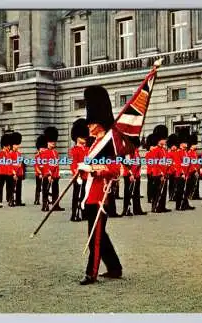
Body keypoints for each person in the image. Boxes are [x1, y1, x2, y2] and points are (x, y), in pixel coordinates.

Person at [78, 85, 122, 285]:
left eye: (91, 122)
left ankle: (91, 272)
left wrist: (94, 170)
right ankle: (114, 267)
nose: (88, 126)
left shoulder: (109, 143)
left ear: (100, 122)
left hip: (101, 195)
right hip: (90, 193)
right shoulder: (95, 143)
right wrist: (82, 170)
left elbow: (115, 169)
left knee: (95, 235)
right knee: (100, 233)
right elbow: (89, 166)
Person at [40, 127, 64, 212]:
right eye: (51, 141)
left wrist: (58, 173)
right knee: (45, 191)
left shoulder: (56, 152)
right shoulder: (44, 152)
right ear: (47, 142)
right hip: (48, 175)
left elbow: (56, 164)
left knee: (55, 191)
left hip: (55, 175)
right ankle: (45, 205)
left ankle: (55, 205)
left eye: (54, 141)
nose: (53, 143)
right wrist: (48, 174)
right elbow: (44, 164)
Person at [69, 118, 89, 222]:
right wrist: (76, 174)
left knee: (85, 195)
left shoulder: (87, 149)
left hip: (87, 175)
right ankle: (75, 214)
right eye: (82, 137)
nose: (85, 138)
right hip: (78, 176)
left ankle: (84, 213)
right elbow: (73, 164)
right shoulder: (74, 150)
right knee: (76, 196)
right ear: (77, 138)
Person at [150, 125, 170, 213]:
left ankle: (162, 206)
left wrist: (166, 172)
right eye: (164, 139)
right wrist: (161, 173)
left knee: (163, 191)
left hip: (164, 173)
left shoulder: (164, 150)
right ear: (159, 139)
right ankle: (155, 207)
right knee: (157, 191)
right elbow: (155, 163)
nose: (165, 141)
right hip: (158, 174)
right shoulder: (156, 150)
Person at [174, 128, 195, 211]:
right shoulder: (178, 152)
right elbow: (178, 164)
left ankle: (185, 204)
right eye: (185, 142)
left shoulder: (186, 152)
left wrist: (188, 173)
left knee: (185, 190)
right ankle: (179, 205)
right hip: (180, 175)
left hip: (186, 174)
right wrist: (182, 173)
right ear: (181, 143)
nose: (187, 144)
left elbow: (188, 163)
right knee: (180, 190)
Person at [0, 133, 13, 206]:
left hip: (8, 172)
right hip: (2, 172)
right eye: (8, 146)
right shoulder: (1, 153)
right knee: (1, 186)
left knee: (9, 186)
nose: (9, 147)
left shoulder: (9, 153)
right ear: (5, 146)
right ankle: (0, 198)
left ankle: (8, 198)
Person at [11, 132, 25, 206]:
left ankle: (18, 201)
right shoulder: (10, 153)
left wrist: (21, 172)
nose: (17, 146)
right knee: (13, 188)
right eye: (16, 144)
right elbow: (10, 164)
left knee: (19, 188)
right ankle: (12, 200)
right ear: (13, 145)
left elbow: (20, 164)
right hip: (14, 173)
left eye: (18, 144)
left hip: (19, 173)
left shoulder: (19, 154)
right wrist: (13, 173)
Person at [33, 135, 46, 205]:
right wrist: (40, 173)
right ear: (39, 148)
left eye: (44, 148)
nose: (43, 149)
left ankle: (45, 199)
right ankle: (36, 199)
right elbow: (36, 166)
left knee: (45, 187)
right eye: (42, 148)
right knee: (38, 187)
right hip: (39, 174)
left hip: (45, 173)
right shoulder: (37, 156)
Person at [166, 134, 179, 201]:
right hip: (171, 171)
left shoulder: (177, 152)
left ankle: (175, 195)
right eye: (172, 145)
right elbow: (169, 163)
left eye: (175, 145)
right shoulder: (169, 153)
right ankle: (171, 196)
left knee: (176, 184)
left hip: (177, 171)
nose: (174, 147)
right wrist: (173, 169)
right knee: (171, 184)